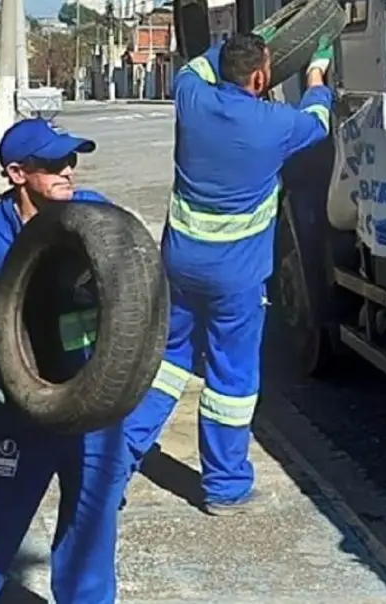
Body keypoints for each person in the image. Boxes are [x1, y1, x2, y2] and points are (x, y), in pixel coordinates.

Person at [0, 117, 156, 603]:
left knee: (91, 535)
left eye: (71, 159)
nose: (68, 170)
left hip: (95, 410)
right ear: (17, 173)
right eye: (53, 163)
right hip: (19, 415)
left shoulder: (98, 219)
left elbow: (140, 300)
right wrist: (18, 385)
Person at [127, 32, 336, 516]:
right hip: (236, 280)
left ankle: (113, 464)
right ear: (261, 78)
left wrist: (233, 45)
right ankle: (224, 486)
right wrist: (315, 72)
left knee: (166, 364)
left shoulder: (191, 99)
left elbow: (195, 66)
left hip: (180, 266)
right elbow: (319, 120)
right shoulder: (277, 124)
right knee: (230, 380)